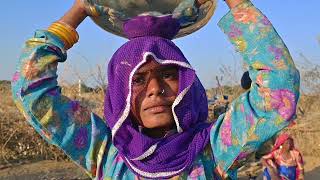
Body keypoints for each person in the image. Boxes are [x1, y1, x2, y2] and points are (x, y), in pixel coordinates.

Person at [11, 0, 300, 179]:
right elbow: (31, 92)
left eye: (168, 74)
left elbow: (278, 91)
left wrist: (235, 2)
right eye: (138, 79)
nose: (155, 89)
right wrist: (79, 11)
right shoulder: (106, 154)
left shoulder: (214, 149)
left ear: (187, 81)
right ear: (120, 93)